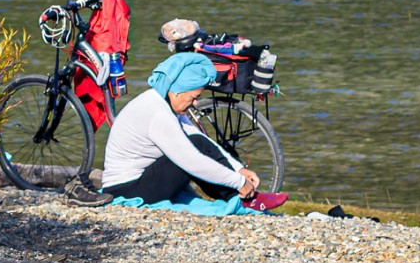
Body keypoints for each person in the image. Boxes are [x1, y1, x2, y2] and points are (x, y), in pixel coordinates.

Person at [100, 51, 287, 212]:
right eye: (194, 97)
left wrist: (239, 169)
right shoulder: (157, 112)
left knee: (198, 141)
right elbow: (192, 161)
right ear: (177, 92)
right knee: (194, 151)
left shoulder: (162, 100)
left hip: (138, 182)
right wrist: (238, 182)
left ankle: (244, 197)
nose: (196, 103)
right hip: (127, 190)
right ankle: (245, 199)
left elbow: (200, 139)